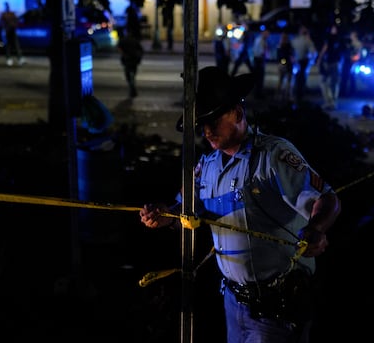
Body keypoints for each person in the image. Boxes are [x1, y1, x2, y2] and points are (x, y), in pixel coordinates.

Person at [139, 66, 341, 343]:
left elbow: (327, 199)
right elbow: (183, 210)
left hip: (276, 308)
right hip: (233, 304)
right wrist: (164, 216)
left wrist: (316, 229)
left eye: (213, 120)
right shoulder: (205, 167)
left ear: (236, 113)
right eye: (202, 123)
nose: (207, 130)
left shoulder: (272, 156)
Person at [316, 24, 344, 110]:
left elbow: (325, 49)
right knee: (333, 83)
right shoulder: (340, 39)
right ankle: (333, 102)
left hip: (329, 62)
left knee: (324, 82)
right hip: (336, 63)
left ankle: (329, 102)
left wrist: (319, 59)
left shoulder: (329, 38)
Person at [291, 25, 317, 105]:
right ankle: (299, 99)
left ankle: (294, 97)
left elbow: (290, 51)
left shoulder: (294, 40)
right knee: (302, 80)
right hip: (303, 63)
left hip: (295, 62)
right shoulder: (307, 41)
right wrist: (310, 60)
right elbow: (313, 53)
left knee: (296, 79)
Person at [118, 26, 144, 98]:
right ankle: (132, 88)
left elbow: (119, 49)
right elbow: (141, 50)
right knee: (133, 75)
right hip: (134, 61)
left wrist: (123, 54)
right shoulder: (135, 40)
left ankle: (132, 88)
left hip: (127, 60)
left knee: (128, 76)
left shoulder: (123, 40)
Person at [0, 1, 24, 67]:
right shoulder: (3, 14)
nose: (7, 7)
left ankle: (20, 59)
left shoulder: (12, 13)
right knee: (8, 46)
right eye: (6, 6)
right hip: (7, 32)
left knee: (16, 45)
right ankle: (9, 59)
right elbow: (0, 23)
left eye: (8, 6)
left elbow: (16, 21)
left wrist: (14, 25)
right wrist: (6, 26)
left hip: (12, 31)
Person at [275, 31, 294, 101]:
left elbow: (280, 56)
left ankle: (281, 95)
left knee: (282, 81)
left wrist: (281, 63)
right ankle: (285, 95)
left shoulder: (280, 45)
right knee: (286, 81)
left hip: (284, 64)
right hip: (286, 65)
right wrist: (284, 63)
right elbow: (285, 56)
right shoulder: (285, 45)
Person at [251, 29, 270, 98]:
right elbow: (261, 52)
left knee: (259, 77)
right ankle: (258, 94)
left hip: (258, 60)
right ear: (263, 33)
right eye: (267, 34)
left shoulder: (260, 40)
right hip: (259, 60)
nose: (268, 35)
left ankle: (258, 93)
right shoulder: (260, 40)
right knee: (259, 77)